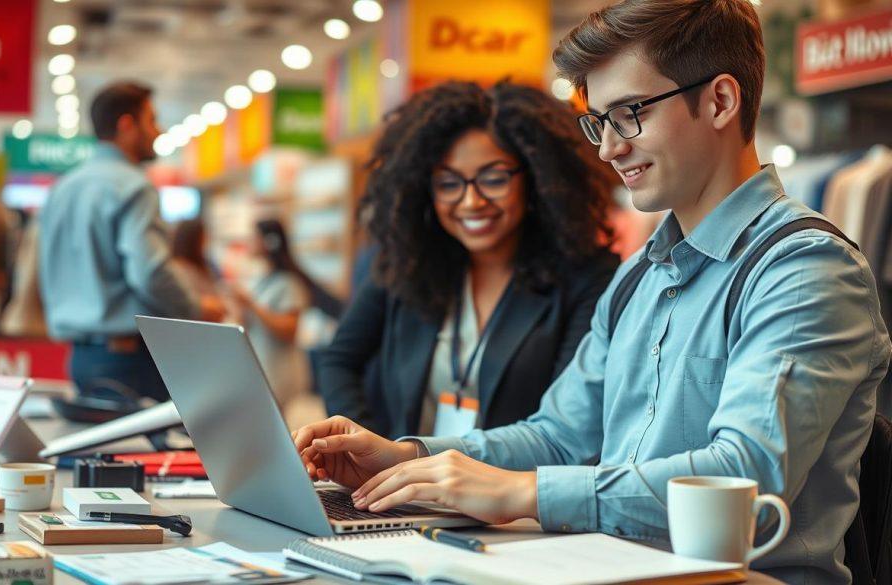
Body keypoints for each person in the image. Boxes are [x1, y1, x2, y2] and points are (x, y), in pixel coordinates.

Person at [292, 1, 892, 582]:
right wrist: (410, 458)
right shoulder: (639, 277)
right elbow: (560, 434)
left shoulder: (804, 270)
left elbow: (746, 475)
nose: (609, 148)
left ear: (721, 101)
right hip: (609, 566)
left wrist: (520, 491)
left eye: (631, 112)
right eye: (599, 121)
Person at [317, 81, 619, 439]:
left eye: (493, 178)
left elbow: (568, 426)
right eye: (448, 184)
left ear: (537, 178)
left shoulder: (587, 278)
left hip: (511, 489)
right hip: (405, 489)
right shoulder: (406, 266)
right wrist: (371, 448)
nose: (471, 201)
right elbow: (339, 360)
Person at [39, 81, 223, 402]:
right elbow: (149, 272)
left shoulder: (62, 188)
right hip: (128, 361)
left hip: (80, 358)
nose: (158, 131)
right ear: (126, 125)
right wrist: (196, 309)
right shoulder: (133, 187)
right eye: (151, 120)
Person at [232, 219, 320, 421]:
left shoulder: (288, 283)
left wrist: (251, 304)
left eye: (254, 237)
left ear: (268, 241)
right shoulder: (261, 278)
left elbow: (289, 330)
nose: (249, 241)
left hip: (279, 370)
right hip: (261, 364)